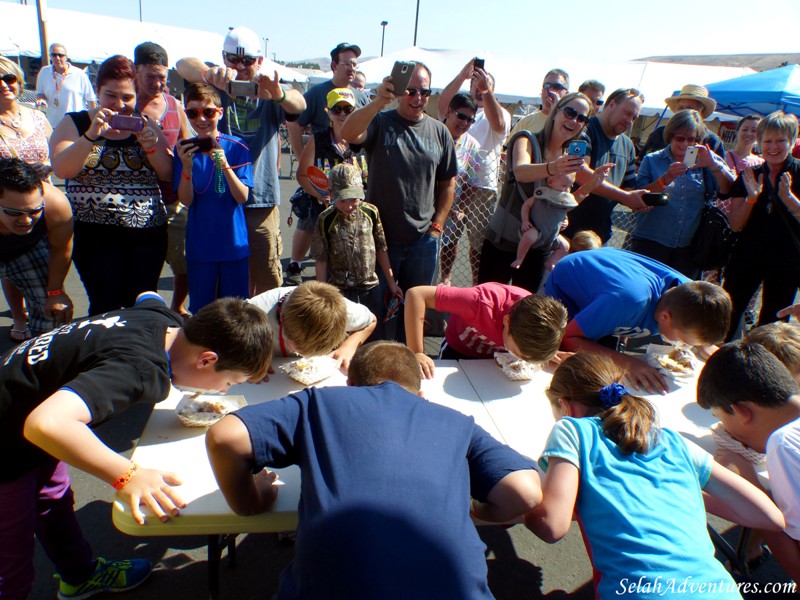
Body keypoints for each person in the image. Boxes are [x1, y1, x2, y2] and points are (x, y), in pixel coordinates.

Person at [206, 340, 542, 600]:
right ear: (421, 395)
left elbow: (225, 437)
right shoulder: (457, 423)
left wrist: (250, 501)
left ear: (350, 386)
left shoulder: (319, 402)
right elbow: (526, 491)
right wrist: (472, 509)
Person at [0, 294, 272, 600]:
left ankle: (79, 576)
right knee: (11, 564)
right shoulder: (139, 369)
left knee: (54, 503)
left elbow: (147, 296)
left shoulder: (165, 321)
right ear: (206, 360)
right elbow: (46, 425)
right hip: (10, 447)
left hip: (26, 428)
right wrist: (126, 475)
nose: (224, 391)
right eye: (230, 382)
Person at [525, 352, 785, 600]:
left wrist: (524, 501)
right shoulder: (673, 440)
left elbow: (552, 525)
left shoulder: (571, 429)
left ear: (564, 406)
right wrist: (674, 489)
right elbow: (770, 517)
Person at [176, 26, 306, 295]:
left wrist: (278, 94)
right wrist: (208, 73)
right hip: (221, 200)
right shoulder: (217, 85)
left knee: (267, 277)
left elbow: (299, 104)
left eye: (248, 60)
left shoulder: (269, 92)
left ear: (259, 61)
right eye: (233, 59)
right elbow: (181, 64)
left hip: (260, 201)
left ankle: (266, 333)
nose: (240, 66)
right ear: (223, 58)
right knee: (231, 280)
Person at [341, 61, 457, 341]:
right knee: (375, 312)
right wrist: (379, 101)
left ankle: (405, 364)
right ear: (400, 91)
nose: (418, 98)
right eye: (411, 90)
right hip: (381, 241)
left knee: (413, 313)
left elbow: (447, 184)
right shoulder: (381, 122)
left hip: (422, 241)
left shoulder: (439, 132)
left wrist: (437, 227)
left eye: (424, 92)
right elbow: (347, 133)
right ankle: (374, 364)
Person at [50, 55, 173, 316]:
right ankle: (102, 354)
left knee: (140, 308)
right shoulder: (76, 123)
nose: (119, 105)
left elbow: (167, 172)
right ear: (97, 91)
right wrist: (92, 136)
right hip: (95, 236)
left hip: (147, 235)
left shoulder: (145, 124)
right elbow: (63, 168)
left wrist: (150, 147)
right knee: (104, 305)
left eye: (127, 97)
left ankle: (135, 355)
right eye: (111, 96)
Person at [545, 247, 733, 393]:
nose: (684, 346)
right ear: (665, 317)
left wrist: (719, 360)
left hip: (613, 285)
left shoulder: (689, 295)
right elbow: (568, 338)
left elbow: (700, 337)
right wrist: (627, 362)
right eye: (683, 341)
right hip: (569, 287)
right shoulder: (629, 303)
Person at [480, 93, 612, 292]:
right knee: (485, 305)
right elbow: (520, 171)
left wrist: (591, 184)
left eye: (582, 118)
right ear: (556, 111)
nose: (574, 121)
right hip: (504, 241)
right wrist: (553, 167)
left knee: (525, 312)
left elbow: (565, 201)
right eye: (570, 112)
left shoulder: (568, 159)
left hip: (540, 247)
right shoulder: (526, 139)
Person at [698, 342, 800, 583]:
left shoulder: (783, 444)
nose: (724, 428)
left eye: (719, 418)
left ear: (742, 412)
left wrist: (749, 483)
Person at [175, 83, 252, 313]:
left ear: (220, 112)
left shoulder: (237, 146)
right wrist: (186, 168)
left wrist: (224, 164)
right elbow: (186, 200)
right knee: (201, 311)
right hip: (201, 246)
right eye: (193, 113)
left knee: (236, 311)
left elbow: (242, 196)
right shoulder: (183, 149)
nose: (201, 119)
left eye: (208, 112)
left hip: (233, 244)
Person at [723, 111, 800, 339]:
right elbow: (735, 225)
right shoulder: (749, 175)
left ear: (792, 141)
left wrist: (790, 200)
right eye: (767, 140)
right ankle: (724, 363)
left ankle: (764, 368)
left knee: (774, 323)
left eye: (780, 140)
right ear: (759, 142)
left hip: (787, 261)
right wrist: (751, 199)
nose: (773, 146)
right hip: (747, 257)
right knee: (729, 313)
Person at [632, 109, 734, 278]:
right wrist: (666, 178)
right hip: (651, 242)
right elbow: (639, 199)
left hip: (688, 247)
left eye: (692, 139)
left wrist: (714, 165)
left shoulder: (704, 161)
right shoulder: (653, 160)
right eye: (680, 138)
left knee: (680, 299)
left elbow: (728, 189)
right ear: (670, 136)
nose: (685, 144)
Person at [437, 60, 512, 285]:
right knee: (449, 238)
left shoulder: (499, 112)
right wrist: (463, 75)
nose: (466, 121)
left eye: (485, 85)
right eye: (475, 85)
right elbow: (443, 105)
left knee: (478, 244)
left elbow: (498, 125)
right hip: (454, 184)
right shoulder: (462, 109)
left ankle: (477, 285)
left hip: (482, 187)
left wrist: (486, 89)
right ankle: (445, 278)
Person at [285, 87, 368, 286]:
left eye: (347, 109)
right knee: (310, 222)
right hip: (322, 203)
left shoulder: (363, 141)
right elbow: (302, 175)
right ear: (328, 112)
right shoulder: (319, 139)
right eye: (336, 109)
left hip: (353, 206)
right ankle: (295, 265)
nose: (342, 114)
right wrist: (320, 194)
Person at [133, 41, 192, 316]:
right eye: (151, 77)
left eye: (162, 78)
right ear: (136, 71)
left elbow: (186, 143)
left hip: (171, 200)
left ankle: (177, 307)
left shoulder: (173, 104)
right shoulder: (124, 103)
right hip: (134, 203)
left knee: (184, 261)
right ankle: (143, 314)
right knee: (143, 265)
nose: (157, 84)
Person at [405, 282, 567, 378]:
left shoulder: (535, 323)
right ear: (507, 321)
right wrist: (417, 352)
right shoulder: (478, 303)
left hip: (493, 360)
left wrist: (543, 355)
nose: (520, 358)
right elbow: (416, 294)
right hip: (457, 350)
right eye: (518, 353)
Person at [0, 56, 54, 340]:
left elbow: (56, 151)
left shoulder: (36, 117)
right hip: (7, 208)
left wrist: (48, 166)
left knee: (47, 267)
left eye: (9, 79)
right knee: (10, 264)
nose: (4, 85)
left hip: (44, 202)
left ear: (19, 83)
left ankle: (43, 319)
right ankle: (20, 317)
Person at [311, 163, 400, 324]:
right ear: (331, 194)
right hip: (340, 289)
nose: (349, 205)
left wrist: (391, 282)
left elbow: (381, 248)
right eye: (342, 200)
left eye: (354, 199)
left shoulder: (371, 212)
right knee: (343, 330)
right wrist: (322, 292)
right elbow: (321, 258)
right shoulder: (325, 219)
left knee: (373, 328)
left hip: (370, 287)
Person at [561, 88, 649, 242]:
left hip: (600, 236)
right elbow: (579, 173)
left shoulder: (628, 145)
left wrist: (640, 199)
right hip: (568, 232)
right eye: (627, 113)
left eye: (634, 117)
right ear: (612, 104)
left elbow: (628, 187)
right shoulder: (583, 129)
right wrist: (626, 196)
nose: (629, 121)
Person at [0, 158, 73, 338]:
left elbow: (61, 249)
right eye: (14, 212)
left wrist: (55, 292)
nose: (26, 221)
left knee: (54, 314)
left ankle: (45, 355)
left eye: (34, 211)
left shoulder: (56, 204)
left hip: (27, 249)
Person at [248, 280, 376, 372]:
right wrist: (249, 358)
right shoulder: (254, 313)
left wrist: (348, 347)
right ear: (282, 318)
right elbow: (229, 340)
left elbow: (372, 321)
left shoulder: (341, 312)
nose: (296, 352)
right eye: (295, 347)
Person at [438, 92, 481, 285]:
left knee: (450, 243)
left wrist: (461, 208)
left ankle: (445, 278)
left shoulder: (473, 146)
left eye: (470, 120)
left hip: (454, 206)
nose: (464, 123)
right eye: (461, 116)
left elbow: (472, 181)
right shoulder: (434, 132)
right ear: (449, 111)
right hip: (427, 202)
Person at [639, 84, 726, 160]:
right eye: (680, 108)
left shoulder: (713, 141)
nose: (683, 112)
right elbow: (641, 166)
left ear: (701, 113)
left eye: (689, 108)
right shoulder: (659, 133)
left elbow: (719, 176)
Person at [35, 43, 97, 128]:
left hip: (76, 124)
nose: (57, 58)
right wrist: (41, 99)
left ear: (66, 56)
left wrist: (92, 122)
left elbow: (91, 100)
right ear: (50, 56)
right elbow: (40, 92)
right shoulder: (44, 72)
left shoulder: (79, 74)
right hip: (53, 124)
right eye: (54, 55)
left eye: (60, 55)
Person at [506, 69, 569, 140]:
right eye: (547, 86)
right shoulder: (526, 122)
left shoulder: (570, 125)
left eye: (557, 87)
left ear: (566, 94)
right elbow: (507, 150)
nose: (550, 91)